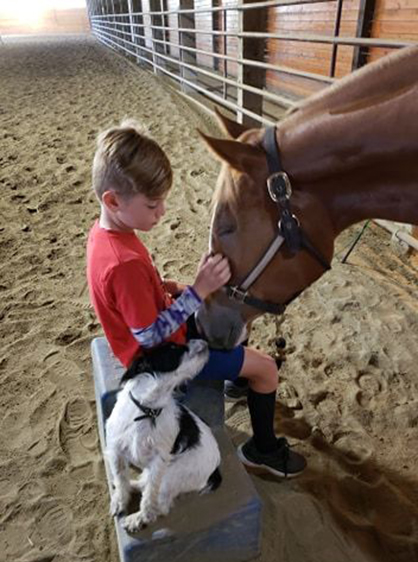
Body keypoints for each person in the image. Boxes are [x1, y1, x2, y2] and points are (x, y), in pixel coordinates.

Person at [86, 119, 306, 478]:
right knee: (266, 369)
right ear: (112, 200)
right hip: (161, 360)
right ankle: (262, 451)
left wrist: (165, 289)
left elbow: (128, 298)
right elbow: (150, 336)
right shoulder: (123, 264)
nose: (162, 213)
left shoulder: (107, 235)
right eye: (153, 204)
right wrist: (196, 292)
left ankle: (237, 382)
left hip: (158, 335)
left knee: (231, 314)